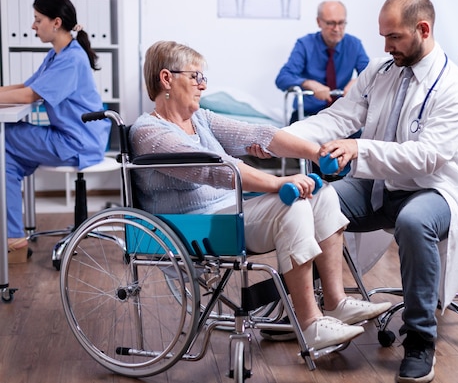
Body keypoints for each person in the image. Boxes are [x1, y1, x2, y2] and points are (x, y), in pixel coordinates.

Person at [251, 0, 458, 382]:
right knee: (319, 199)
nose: (386, 47)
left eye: (394, 37)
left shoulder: (454, 86)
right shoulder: (382, 72)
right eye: (383, 37)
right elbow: (339, 117)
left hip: (433, 190)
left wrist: (357, 148)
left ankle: (419, 339)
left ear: (423, 29)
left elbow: (426, 157)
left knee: (414, 223)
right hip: (378, 184)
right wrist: (283, 138)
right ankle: (307, 311)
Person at [129, 41, 390, 351]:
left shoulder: (200, 119)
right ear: (166, 78)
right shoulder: (149, 133)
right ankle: (309, 324)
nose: (203, 85)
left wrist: (317, 154)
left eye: (204, 78)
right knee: (289, 206)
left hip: (225, 215)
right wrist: (279, 182)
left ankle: (335, 302)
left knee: (324, 195)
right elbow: (215, 171)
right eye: (196, 76)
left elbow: (259, 134)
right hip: (189, 227)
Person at [0, 0, 110, 263]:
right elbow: (26, 87)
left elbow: (29, 97)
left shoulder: (70, 59)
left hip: (77, 142)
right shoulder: (58, 54)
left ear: (56, 22)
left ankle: (13, 238)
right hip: (75, 137)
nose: (33, 26)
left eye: (38, 20)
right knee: (6, 161)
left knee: (5, 138)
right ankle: (13, 238)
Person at [276, 0, 369, 123]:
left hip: (341, 115)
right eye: (331, 23)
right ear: (319, 22)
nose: (336, 29)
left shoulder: (354, 45)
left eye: (341, 23)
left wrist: (358, 81)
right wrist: (309, 83)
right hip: (308, 115)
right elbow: (283, 78)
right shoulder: (305, 45)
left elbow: (371, 74)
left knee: (357, 140)